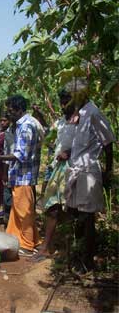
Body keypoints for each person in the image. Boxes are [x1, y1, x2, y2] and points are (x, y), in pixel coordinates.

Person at [64, 78, 115, 271]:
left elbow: (108, 143)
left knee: (87, 217)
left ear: (83, 94)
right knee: (75, 212)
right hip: (76, 168)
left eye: (74, 95)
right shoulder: (79, 113)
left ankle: (88, 260)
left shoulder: (94, 113)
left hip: (88, 171)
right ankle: (76, 254)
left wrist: (108, 171)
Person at [0, 95, 41, 256]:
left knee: (24, 213)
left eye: (11, 110)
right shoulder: (21, 125)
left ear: (19, 109)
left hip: (25, 176)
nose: (9, 114)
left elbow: (21, 154)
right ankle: (23, 240)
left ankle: (28, 245)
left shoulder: (26, 126)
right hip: (19, 176)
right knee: (18, 211)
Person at [30, 89, 76, 261]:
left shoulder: (82, 122)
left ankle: (65, 249)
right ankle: (48, 246)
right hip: (58, 168)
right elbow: (50, 133)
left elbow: (92, 143)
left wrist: (70, 152)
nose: (64, 106)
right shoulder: (62, 122)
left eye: (67, 102)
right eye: (62, 102)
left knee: (67, 209)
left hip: (73, 169)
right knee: (52, 207)